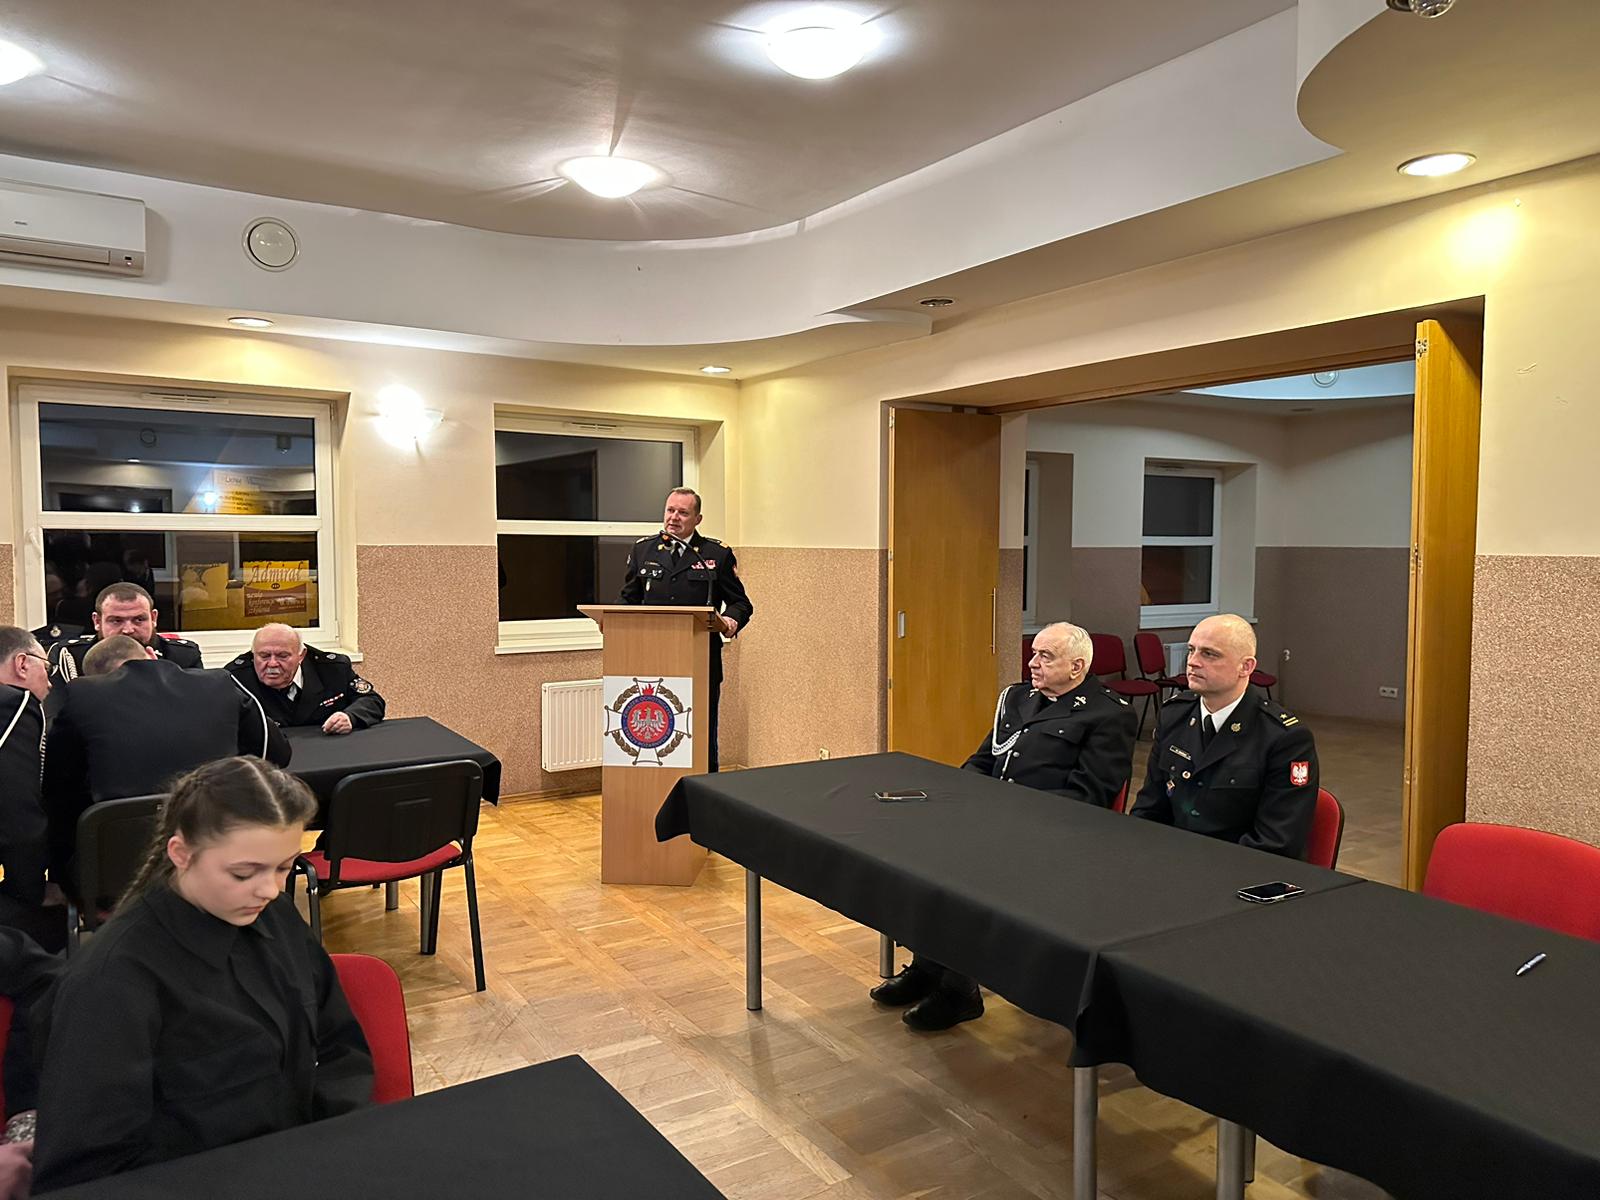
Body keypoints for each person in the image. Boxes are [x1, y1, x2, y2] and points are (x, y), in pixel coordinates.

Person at [29, 757, 373, 1191]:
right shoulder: (111, 982)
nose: (270, 890)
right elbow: (86, 1171)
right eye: (243, 873)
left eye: (284, 867)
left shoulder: (276, 915)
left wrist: (336, 1147)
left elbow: (341, 1046)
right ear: (181, 854)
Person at [871, 621, 1138, 1031]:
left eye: (1045, 656)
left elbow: (1090, 796)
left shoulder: (1108, 714)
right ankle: (928, 966)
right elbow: (983, 760)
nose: (1032, 663)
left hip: (1050, 833)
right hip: (992, 822)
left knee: (963, 875)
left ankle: (959, 990)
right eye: (1034, 653)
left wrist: (1009, 819)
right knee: (916, 857)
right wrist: (962, 801)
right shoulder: (1018, 699)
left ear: (1077, 666)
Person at [41, 637, 290, 893]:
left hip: (121, 872)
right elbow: (275, 753)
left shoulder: (82, 694)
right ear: (151, 654)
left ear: (96, 678)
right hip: (219, 853)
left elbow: (57, 782)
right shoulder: (219, 682)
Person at [1130, 613, 1318, 857]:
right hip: (1172, 859)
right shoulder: (1174, 715)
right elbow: (1149, 808)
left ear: (1246, 667)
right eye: (1191, 650)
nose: (1193, 662)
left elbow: (1276, 843)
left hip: (1239, 868)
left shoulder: (1284, 738)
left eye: (1209, 654)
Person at [618, 488, 753, 772]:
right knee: (654, 733)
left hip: (700, 658)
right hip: (651, 658)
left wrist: (730, 621)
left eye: (683, 513)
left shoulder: (716, 554)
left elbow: (741, 603)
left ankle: (704, 787)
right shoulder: (643, 550)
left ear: (697, 519)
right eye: (670, 510)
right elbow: (628, 598)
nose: (674, 518)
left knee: (700, 732)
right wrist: (612, 620)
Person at [224, 624, 385, 735]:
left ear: (301, 655)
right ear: (253, 655)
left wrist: (350, 717)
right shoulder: (236, 677)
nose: (272, 663)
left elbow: (372, 700)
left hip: (327, 752)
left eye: (282, 656)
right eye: (264, 656)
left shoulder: (332, 669)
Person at [0, 627, 54, 948]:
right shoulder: (14, 704)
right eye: (46, 668)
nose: (50, 682)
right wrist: (32, 890)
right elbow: (19, 814)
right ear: (22, 664)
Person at [47, 582, 202, 686]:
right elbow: (57, 718)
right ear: (97, 621)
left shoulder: (182, 655)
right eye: (116, 621)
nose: (128, 630)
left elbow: (196, 712)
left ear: (153, 618)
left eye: (139, 619)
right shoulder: (70, 656)